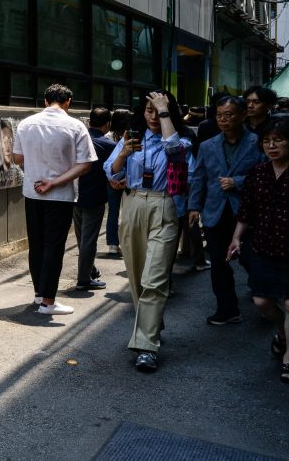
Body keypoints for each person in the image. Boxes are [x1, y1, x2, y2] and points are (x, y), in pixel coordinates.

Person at [229, 116, 289, 385]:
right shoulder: (257, 173)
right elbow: (247, 209)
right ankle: (281, 331)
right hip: (263, 245)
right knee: (262, 301)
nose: (271, 146)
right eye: (266, 141)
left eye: (278, 140)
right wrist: (237, 238)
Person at [104, 90, 194, 373]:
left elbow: (175, 154)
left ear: (171, 112)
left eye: (160, 111)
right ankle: (152, 323)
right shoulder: (131, 138)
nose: (154, 116)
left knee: (155, 279)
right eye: (149, 110)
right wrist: (125, 154)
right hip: (132, 204)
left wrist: (165, 112)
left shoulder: (183, 139)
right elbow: (111, 172)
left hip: (165, 205)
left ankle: (146, 346)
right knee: (137, 278)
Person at [12, 84, 97, 315]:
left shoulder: (26, 124)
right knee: (54, 247)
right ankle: (48, 302)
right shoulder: (75, 126)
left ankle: (39, 294)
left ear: (45, 100)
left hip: (32, 192)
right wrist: (55, 181)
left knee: (36, 244)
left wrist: (37, 162)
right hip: (60, 195)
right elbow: (86, 164)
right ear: (68, 101)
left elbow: (17, 157)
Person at [187, 95, 265, 326]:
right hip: (215, 211)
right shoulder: (207, 145)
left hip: (248, 213)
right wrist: (194, 206)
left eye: (228, 115)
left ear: (243, 115)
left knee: (252, 260)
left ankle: (266, 302)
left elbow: (267, 175)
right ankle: (227, 309)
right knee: (219, 265)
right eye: (219, 115)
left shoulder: (258, 142)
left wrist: (238, 182)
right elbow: (199, 177)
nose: (223, 119)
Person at [72, 108, 116, 291]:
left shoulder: (78, 140)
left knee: (82, 237)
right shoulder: (108, 145)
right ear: (107, 125)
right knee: (89, 240)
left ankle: (89, 269)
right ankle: (84, 279)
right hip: (95, 197)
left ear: (89, 122)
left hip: (74, 194)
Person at [105, 108, 133, 259]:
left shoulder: (108, 136)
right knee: (129, 211)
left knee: (113, 211)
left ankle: (112, 245)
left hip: (112, 179)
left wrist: (111, 179)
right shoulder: (130, 135)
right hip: (129, 178)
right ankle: (128, 242)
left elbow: (107, 161)